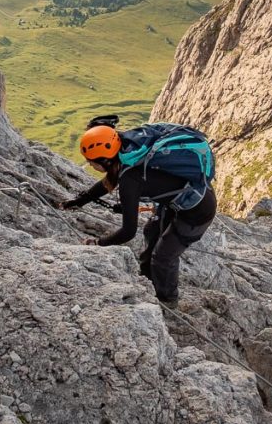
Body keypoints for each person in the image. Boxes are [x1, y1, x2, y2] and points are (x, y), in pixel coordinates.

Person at [60, 116, 217, 307]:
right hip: (180, 201)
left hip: (197, 212)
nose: (91, 165)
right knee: (151, 232)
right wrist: (79, 201)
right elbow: (107, 183)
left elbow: (128, 231)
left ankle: (167, 301)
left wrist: (98, 243)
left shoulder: (130, 178)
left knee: (163, 257)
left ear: (105, 160)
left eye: (92, 162)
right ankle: (148, 282)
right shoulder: (128, 151)